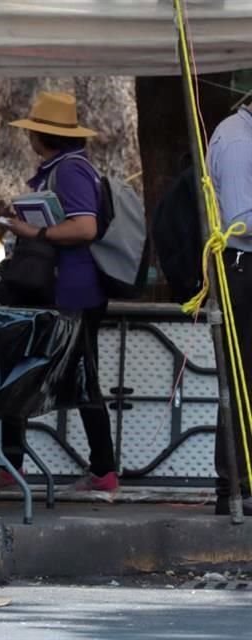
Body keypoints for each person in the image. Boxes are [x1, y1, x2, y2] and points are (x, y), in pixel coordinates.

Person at [0, 91, 119, 493]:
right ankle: (11, 465)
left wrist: (34, 231)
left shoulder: (70, 172)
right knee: (24, 374)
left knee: (81, 379)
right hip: (53, 291)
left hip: (72, 294)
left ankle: (102, 471)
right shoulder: (57, 170)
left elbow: (84, 227)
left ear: (40, 136)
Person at [207, 104, 252, 516]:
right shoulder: (239, 141)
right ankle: (236, 486)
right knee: (242, 383)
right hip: (243, 266)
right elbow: (241, 220)